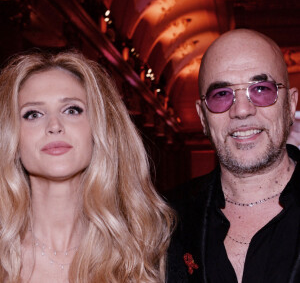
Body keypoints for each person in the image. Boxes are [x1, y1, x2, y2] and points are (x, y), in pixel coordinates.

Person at [0, 50, 174, 283]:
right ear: (11, 135)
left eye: (72, 110)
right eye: (33, 114)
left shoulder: (140, 253)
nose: (54, 125)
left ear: (99, 128)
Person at [167, 29, 300, 283]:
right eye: (221, 95)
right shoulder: (164, 220)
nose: (241, 110)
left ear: (291, 104)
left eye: (261, 89)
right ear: (202, 116)